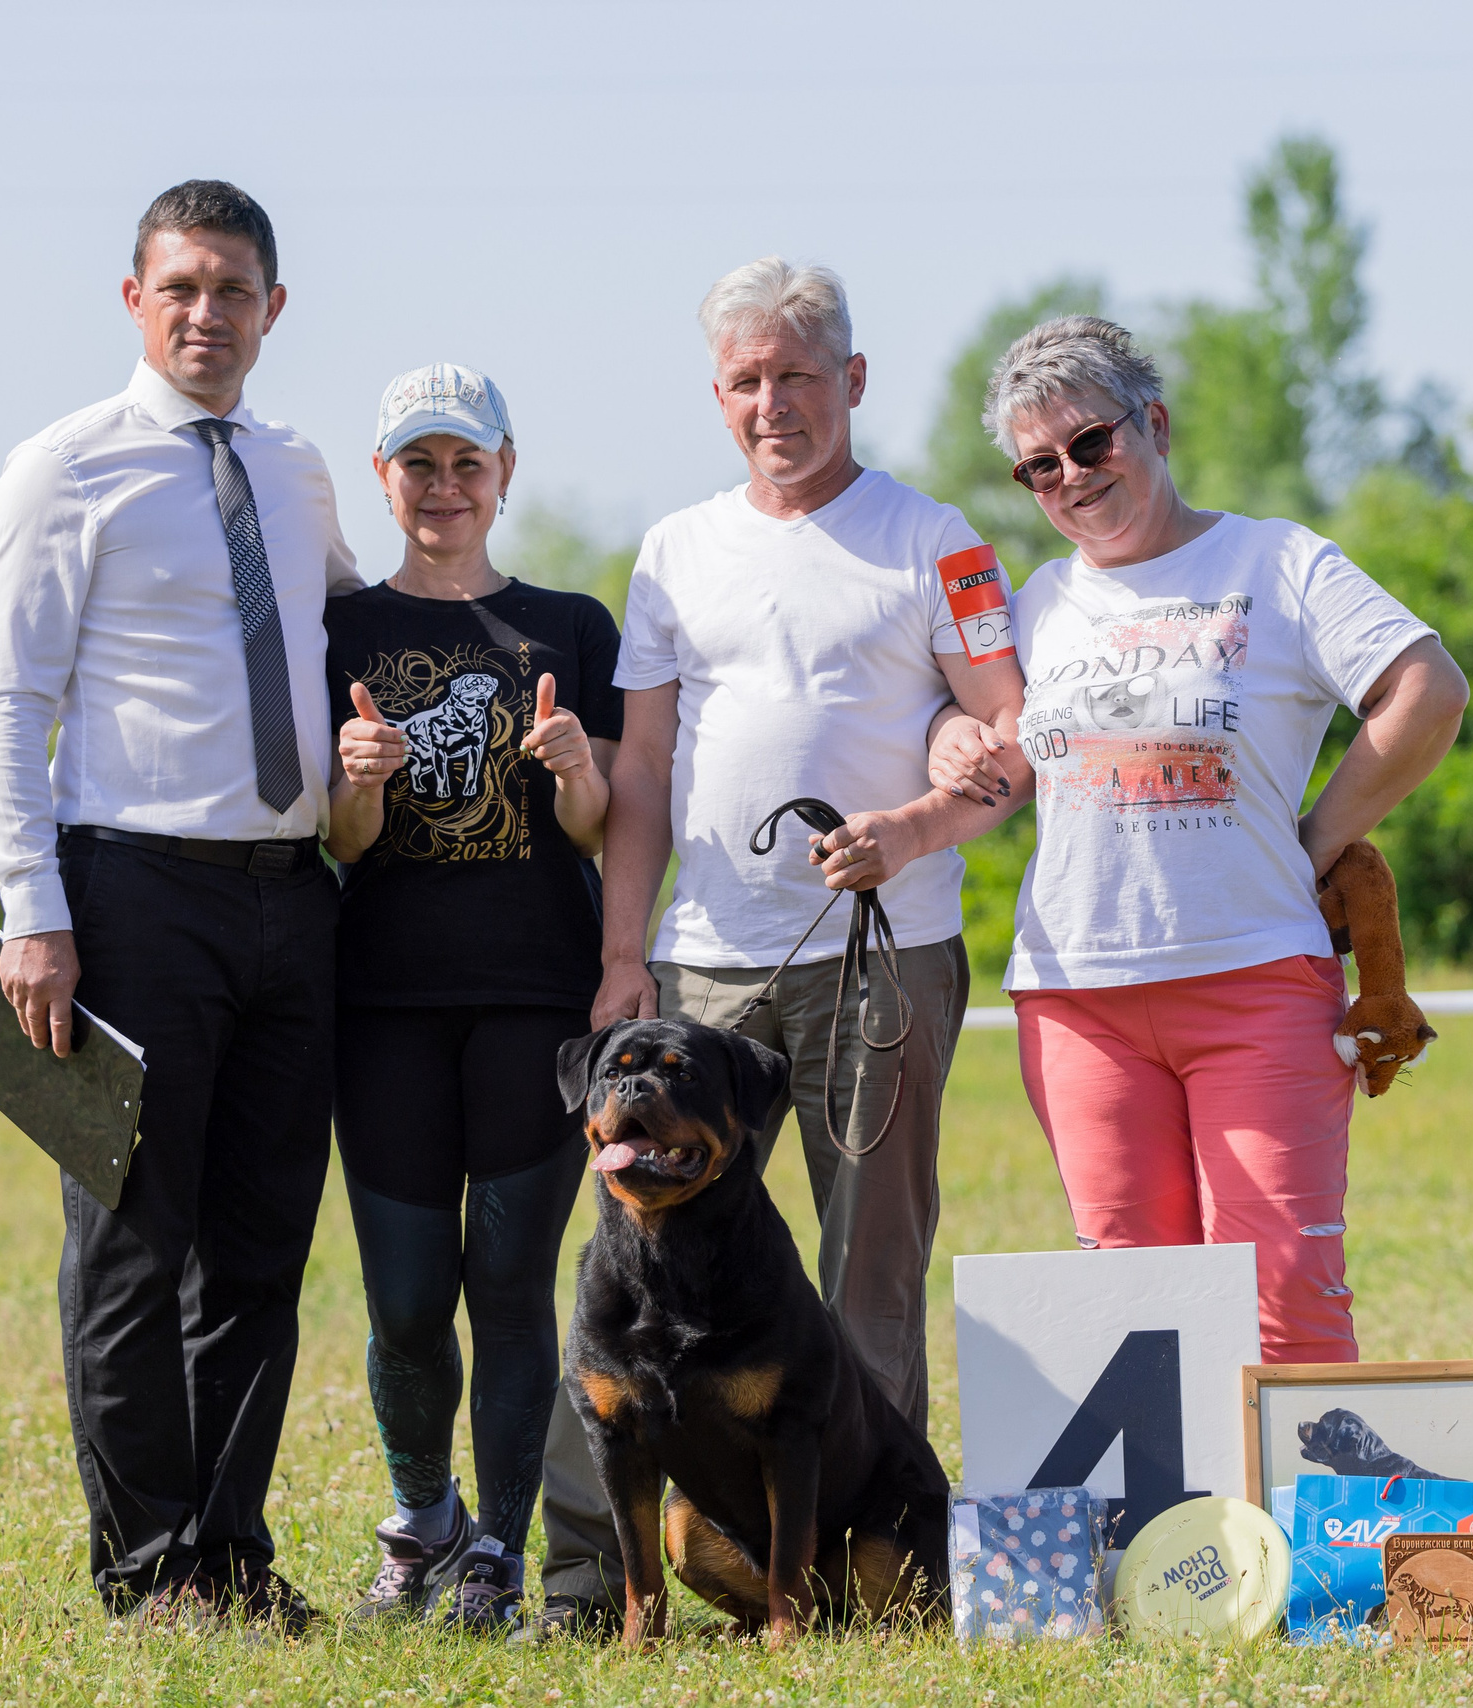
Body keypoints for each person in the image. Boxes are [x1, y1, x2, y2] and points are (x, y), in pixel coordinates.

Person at [520, 258, 1026, 1642]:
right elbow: (644, 771)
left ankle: (877, 1572)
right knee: (634, 1272)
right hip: (704, 963)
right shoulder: (673, 549)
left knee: (870, 1261)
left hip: (885, 952)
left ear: (852, 380)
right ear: (717, 394)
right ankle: (595, 1586)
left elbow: (1010, 738)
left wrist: (914, 828)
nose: (772, 403)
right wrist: (627, 952)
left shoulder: (941, 542)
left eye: (798, 375)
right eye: (745, 380)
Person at [0, 180, 363, 1628]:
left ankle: (231, 1557)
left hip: (294, 902)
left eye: (235, 289)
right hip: (127, 899)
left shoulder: (301, 468)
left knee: (261, 1250)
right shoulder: (61, 469)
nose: (208, 314)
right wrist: (31, 905)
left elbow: (346, 639)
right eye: (181, 287)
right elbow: (6, 701)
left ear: (274, 307)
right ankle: (147, 1577)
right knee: (133, 1246)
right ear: (135, 300)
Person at [926, 316, 1469, 1365]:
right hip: (1074, 993)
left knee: (1284, 1282)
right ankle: (1172, 1535)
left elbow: (1426, 690)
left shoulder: (1276, 558)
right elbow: (993, 746)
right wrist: (952, 732)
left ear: (1155, 424)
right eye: (1040, 467)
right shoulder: (1038, 601)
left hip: (1254, 974)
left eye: (1092, 443)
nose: (1073, 477)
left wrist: (1313, 839)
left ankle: (1312, 1528)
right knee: (1134, 1298)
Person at [321, 364, 622, 1634]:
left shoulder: (571, 625)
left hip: (532, 1002)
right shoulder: (337, 633)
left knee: (508, 1286)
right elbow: (336, 842)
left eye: (467, 464)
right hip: (379, 1003)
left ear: (506, 471)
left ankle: (498, 1546)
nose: (444, 488)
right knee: (400, 1297)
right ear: (383, 477)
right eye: (418, 465)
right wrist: (360, 779)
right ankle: (422, 1517)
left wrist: (567, 767)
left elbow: (602, 823)